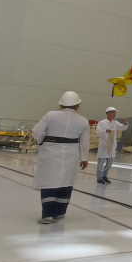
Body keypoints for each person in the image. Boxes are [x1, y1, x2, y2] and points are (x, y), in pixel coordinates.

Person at [31, 91, 90, 224]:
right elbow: (85, 142)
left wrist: (41, 141)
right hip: (71, 154)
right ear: (78, 105)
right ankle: (60, 212)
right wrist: (84, 158)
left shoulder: (50, 115)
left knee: (49, 181)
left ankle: (48, 215)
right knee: (66, 181)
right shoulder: (83, 121)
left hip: (50, 152)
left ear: (61, 104)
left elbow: (37, 132)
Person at [95, 107, 128, 184]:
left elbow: (122, 128)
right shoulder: (102, 123)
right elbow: (98, 132)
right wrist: (106, 131)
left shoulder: (115, 123)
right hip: (104, 145)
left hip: (112, 145)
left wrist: (125, 124)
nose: (114, 114)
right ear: (108, 113)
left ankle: (104, 176)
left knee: (110, 162)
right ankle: (99, 177)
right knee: (101, 162)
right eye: (112, 112)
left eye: (115, 112)